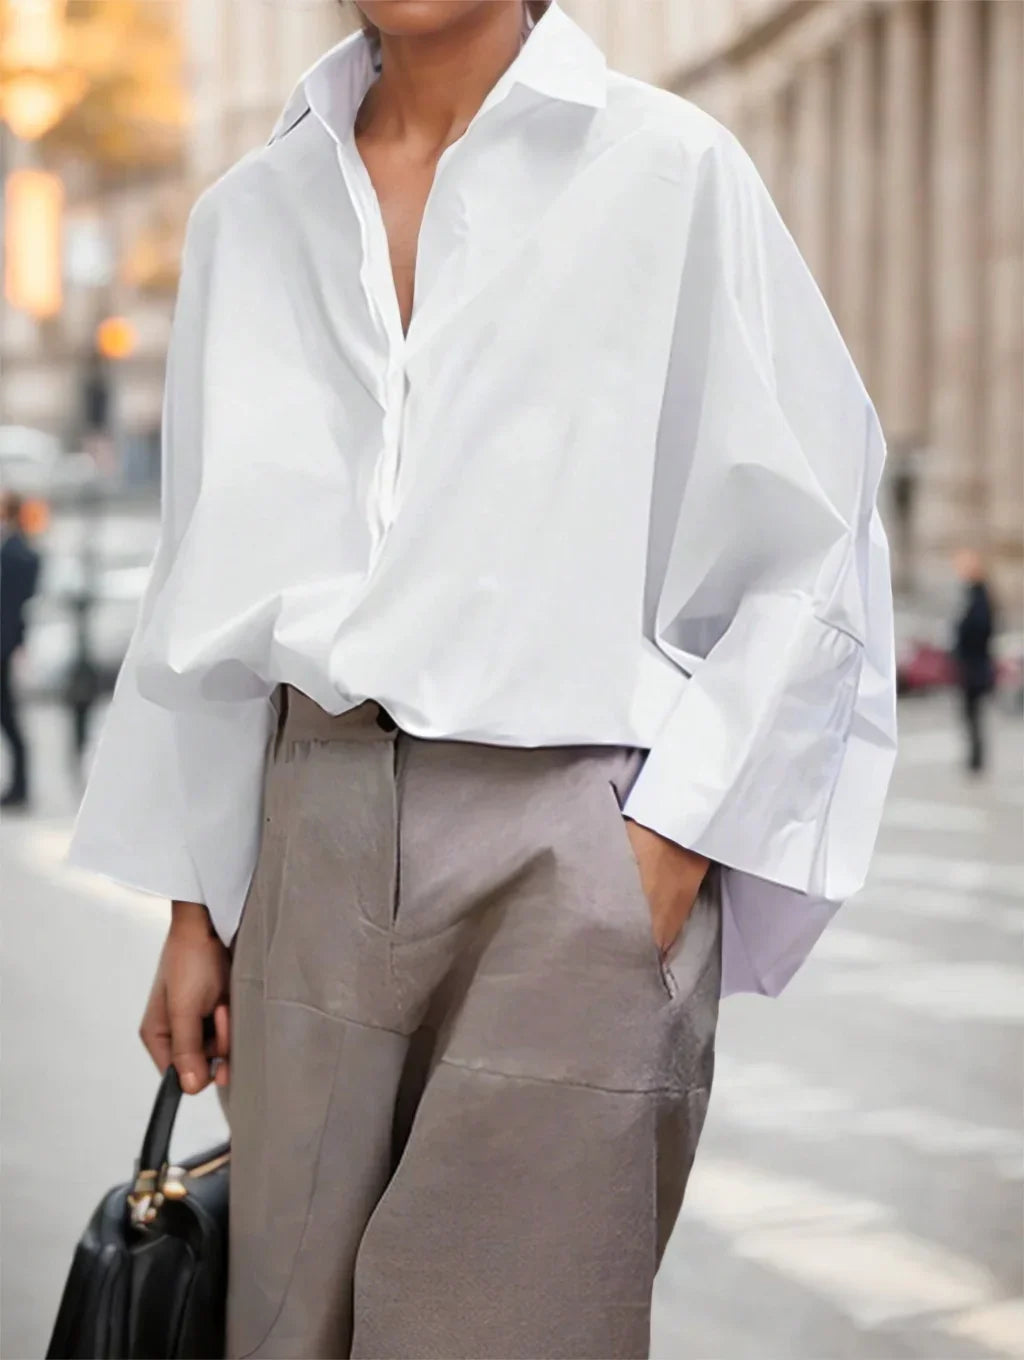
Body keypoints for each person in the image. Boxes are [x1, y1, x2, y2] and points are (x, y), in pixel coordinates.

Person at [67, 3, 897, 1356]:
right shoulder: (249, 216)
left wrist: (663, 846)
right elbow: (201, 576)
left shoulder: (669, 170)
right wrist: (191, 905)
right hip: (309, 837)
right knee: (287, 1331)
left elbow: (811, 542)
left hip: (566, 852)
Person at [1, 489, 41, 810]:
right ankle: (19, 786)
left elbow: (14, 605)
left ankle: (21, 787)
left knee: (9, 717)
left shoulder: (17, 553)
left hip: (3, 645)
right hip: (7, 643)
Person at [952, 548, 996, 774]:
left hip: (975, 666)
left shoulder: (979, 597)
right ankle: (974, 758)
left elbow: (979, 629)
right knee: (970, 715)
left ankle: (976, 760)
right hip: (972, 665)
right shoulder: (973, 595)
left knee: (974, 715)